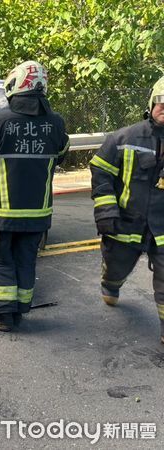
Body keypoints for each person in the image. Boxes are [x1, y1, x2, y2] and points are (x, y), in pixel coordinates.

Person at [0, 60, 69, 332]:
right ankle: (19, 312)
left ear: (14, 85)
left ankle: (1, 317)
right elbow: (61, 156)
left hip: (1, 213)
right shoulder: (56, 124)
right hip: (37, 214)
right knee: (25, 260)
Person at [90, 75, 164, 344]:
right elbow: (100, 170)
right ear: (151, 104)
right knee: (116, 270)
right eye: (161, 103)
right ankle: (111, 283)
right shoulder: (124, 138)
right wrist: (106, 210)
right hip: (125, 224)